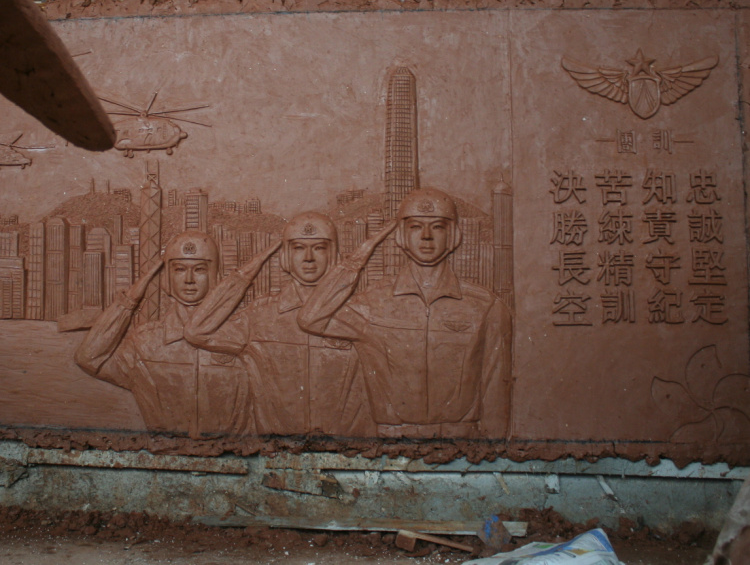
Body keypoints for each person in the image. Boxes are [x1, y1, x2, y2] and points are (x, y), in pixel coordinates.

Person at [297, 188, 513, 439]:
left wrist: (492, 452)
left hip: (463, 441)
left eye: (438, 227)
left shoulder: (485, 307)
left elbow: (496, 392)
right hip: (389, 442)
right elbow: (311, 319)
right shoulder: (372, 304)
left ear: (454, 236)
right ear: (401, 236)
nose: (426, 236)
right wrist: (358, 258)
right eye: (415, 227)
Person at [185, 212, 375, 436]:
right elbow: (197, 331)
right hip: (274, 447)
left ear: (334, 255)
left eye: (319, 248)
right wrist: (247, 273)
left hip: (349, 446)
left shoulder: (357, 315)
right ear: (285, 256)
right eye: (298, 248)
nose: (308, 258)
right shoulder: (259, 317)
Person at [75, 231, 254, 438]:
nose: (189, 280)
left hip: (232, 447)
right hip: (164, 444)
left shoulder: (239, 337)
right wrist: (128, 303)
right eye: (179, 269)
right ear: (167, 277)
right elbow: (89, 358)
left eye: (199, 270)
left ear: (215, 276)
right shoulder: (145, 343)